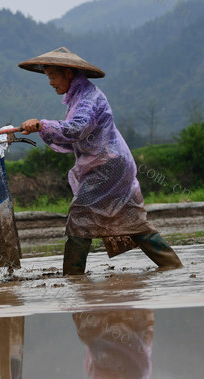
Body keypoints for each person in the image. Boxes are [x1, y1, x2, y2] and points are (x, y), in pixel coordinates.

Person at [17, 47, 182, 275]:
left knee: (80, 217)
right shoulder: (78, 98)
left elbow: (77, 129)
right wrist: (42, 129)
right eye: (48, 77)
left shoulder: (88, 99)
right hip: (112, 165)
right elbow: (73, 141)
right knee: (132, 221)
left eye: (52, 76)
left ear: (67, 73)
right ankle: (173, 267)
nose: (50, 82)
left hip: (107, 167)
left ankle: (72, 279)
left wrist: (42, 125)